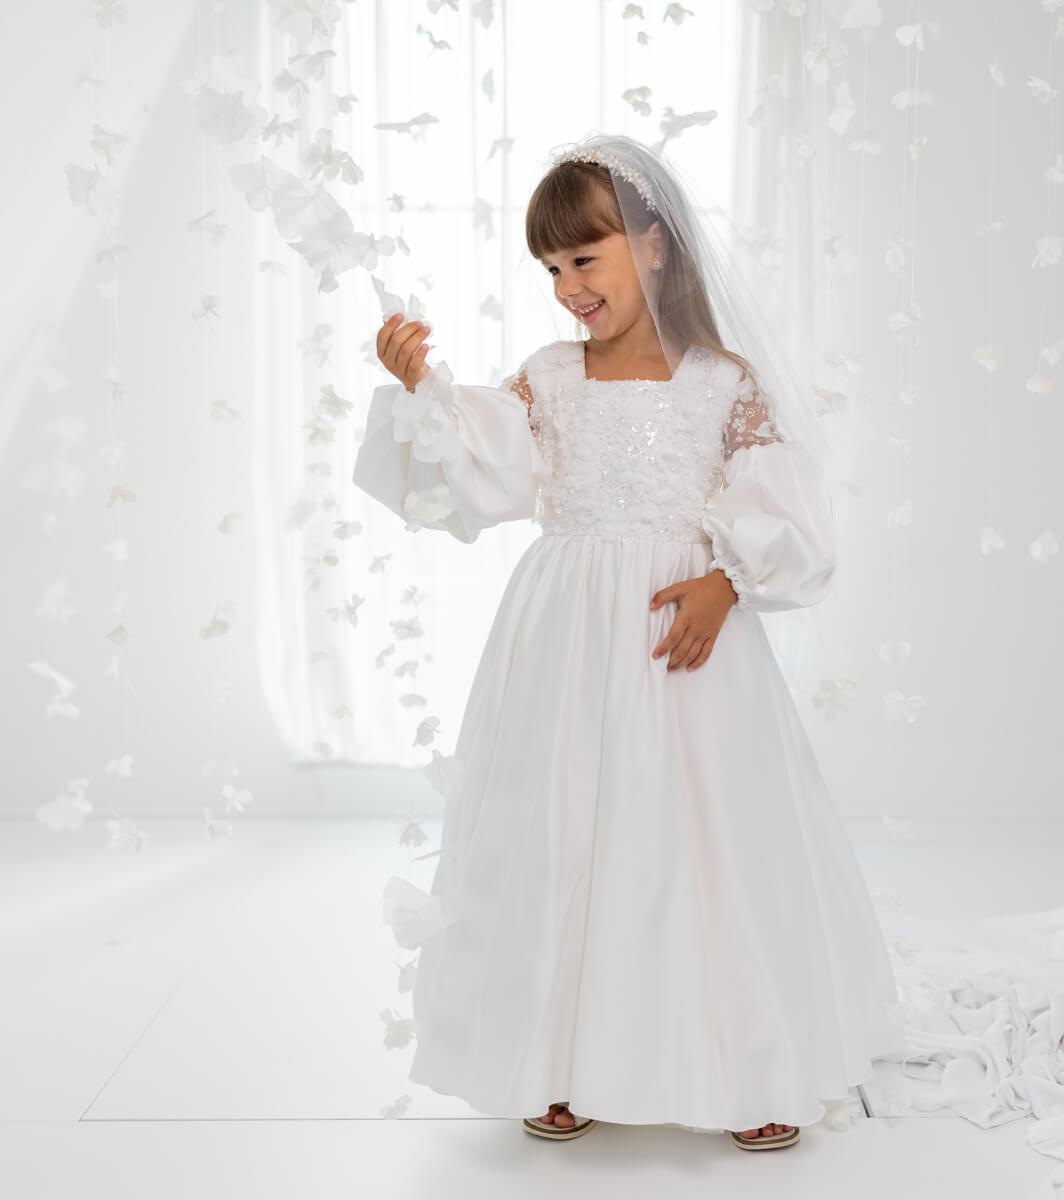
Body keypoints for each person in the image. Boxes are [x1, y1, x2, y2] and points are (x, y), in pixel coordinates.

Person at [354, 133, 906, 1151]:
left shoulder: (718, 383)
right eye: (552, 268)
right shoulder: (551, 378)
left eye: (585, 257)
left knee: (709, 839)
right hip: (567, 637)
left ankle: (754, 1059)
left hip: (677, 635)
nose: (568, 286)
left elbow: (785, 508)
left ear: (653, 246)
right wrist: (424, 393)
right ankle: (560, 1055)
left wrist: (728, 582)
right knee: (567, 830)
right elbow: (488, 466)